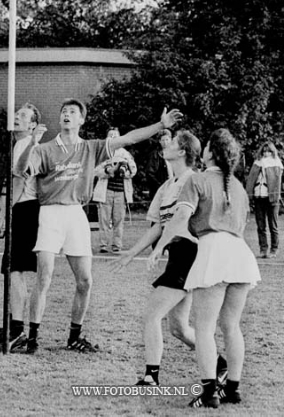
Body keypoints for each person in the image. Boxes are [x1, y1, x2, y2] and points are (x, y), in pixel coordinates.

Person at [15, 98, 182, 355]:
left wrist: (160, 124)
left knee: (85, 281)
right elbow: (20, 170)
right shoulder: (45, 149)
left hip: (76, 214)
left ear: (81, 120)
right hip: (50, 212)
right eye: (63, 111)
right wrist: (32, 145)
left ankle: (74, 336)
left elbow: (128, 139)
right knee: (44, 276)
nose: (67, 115)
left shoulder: (91, 147)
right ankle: (33, 337)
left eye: (72, 111)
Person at [148, 128, 260, 408]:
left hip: (213, 250)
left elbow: (181, 217)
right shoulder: (236, 185)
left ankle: (209, 391)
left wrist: (162, 244)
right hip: (240, 254)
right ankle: (232, 388)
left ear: (209, 152)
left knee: (205, 328)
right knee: (231, 325)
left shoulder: (197, 179)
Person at [112, 130, 229, 386]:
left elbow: (180, 222)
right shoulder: (167, 186)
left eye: (172, 142)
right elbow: (158, 225)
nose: (165, 144)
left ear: (183, 151)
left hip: (191, 255)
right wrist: (132, 253)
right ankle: (221, 364)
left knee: (151, 314)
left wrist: (158, 249)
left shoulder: (194, 180)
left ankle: (151, 377)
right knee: (178, 328)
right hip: (178, 256)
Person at [0, 103, 42, 352]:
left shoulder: (27, 145)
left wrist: (4, 216)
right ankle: (12, 325)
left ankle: (18, 330)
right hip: (21, 208)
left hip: (25, 209)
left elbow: (19, 184)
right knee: (12, 269)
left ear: (32, 124)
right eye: (16, 114)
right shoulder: (18, 144)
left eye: (22, 116)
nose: (16, 118)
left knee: (15, 269)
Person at [245, 141, 282, 259]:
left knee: (273, 226)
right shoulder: (257, 163)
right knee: (261, 226)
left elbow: (277, 181)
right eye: (264, 151)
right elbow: (251, 180)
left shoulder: (276, 164)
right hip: (259, 197)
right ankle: (263, 249)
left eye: (269, 151)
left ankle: (274, 249)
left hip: (272, 198)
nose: (266, 154)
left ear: (273, 152)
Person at [141, 129, 174, 200]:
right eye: (163, 140)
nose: (165, 142)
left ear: (171, 140)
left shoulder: (176, 154)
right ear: (159, 141)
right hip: (160, 188)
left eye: (167, 139)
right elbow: (150, 173)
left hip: (174, 186)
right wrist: (159, 185)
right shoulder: (155, 155)